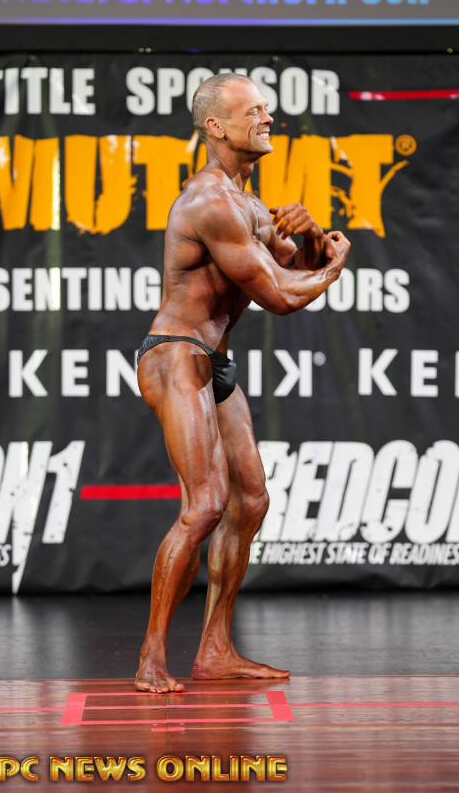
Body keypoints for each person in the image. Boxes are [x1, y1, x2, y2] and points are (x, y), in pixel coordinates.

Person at [135, 73, 350, 693]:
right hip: (175, 355)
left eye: (267, 108)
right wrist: (335, 267)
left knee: (250, 501)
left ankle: (215, 650)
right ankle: (151, 658)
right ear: (216, 127)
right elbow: (282, 297)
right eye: (252, 111)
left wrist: (312, 239)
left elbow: (292, 270)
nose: (268, 118)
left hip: (214, 360)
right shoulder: (210, 202)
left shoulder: (250, 206)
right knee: (205, 504)